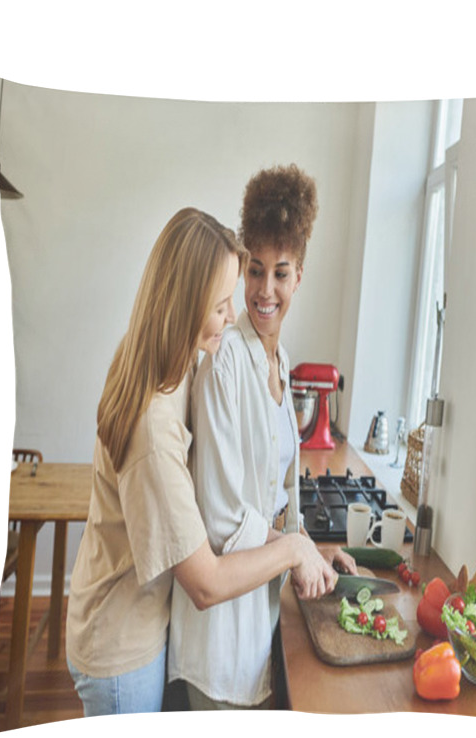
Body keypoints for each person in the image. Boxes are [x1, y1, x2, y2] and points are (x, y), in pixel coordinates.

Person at [65, 207, 335, 717]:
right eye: (219, 305)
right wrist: (294, 549)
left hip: (135, 622)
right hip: (122, 646)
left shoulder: (167, 360)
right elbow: (207, 582)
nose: (233, 316)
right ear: (184, 306)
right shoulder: (154, 426)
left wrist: (304, 549)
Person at [168, 165, 356, 710]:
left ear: (300, 275)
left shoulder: (280, 361)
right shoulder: (224, 361)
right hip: (218, 642)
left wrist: (312, 552)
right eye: (254, 271)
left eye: (280, 272)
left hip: (260, 619)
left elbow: (271, 498)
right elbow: (223, 523)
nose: (264, 291)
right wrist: (295, 551)